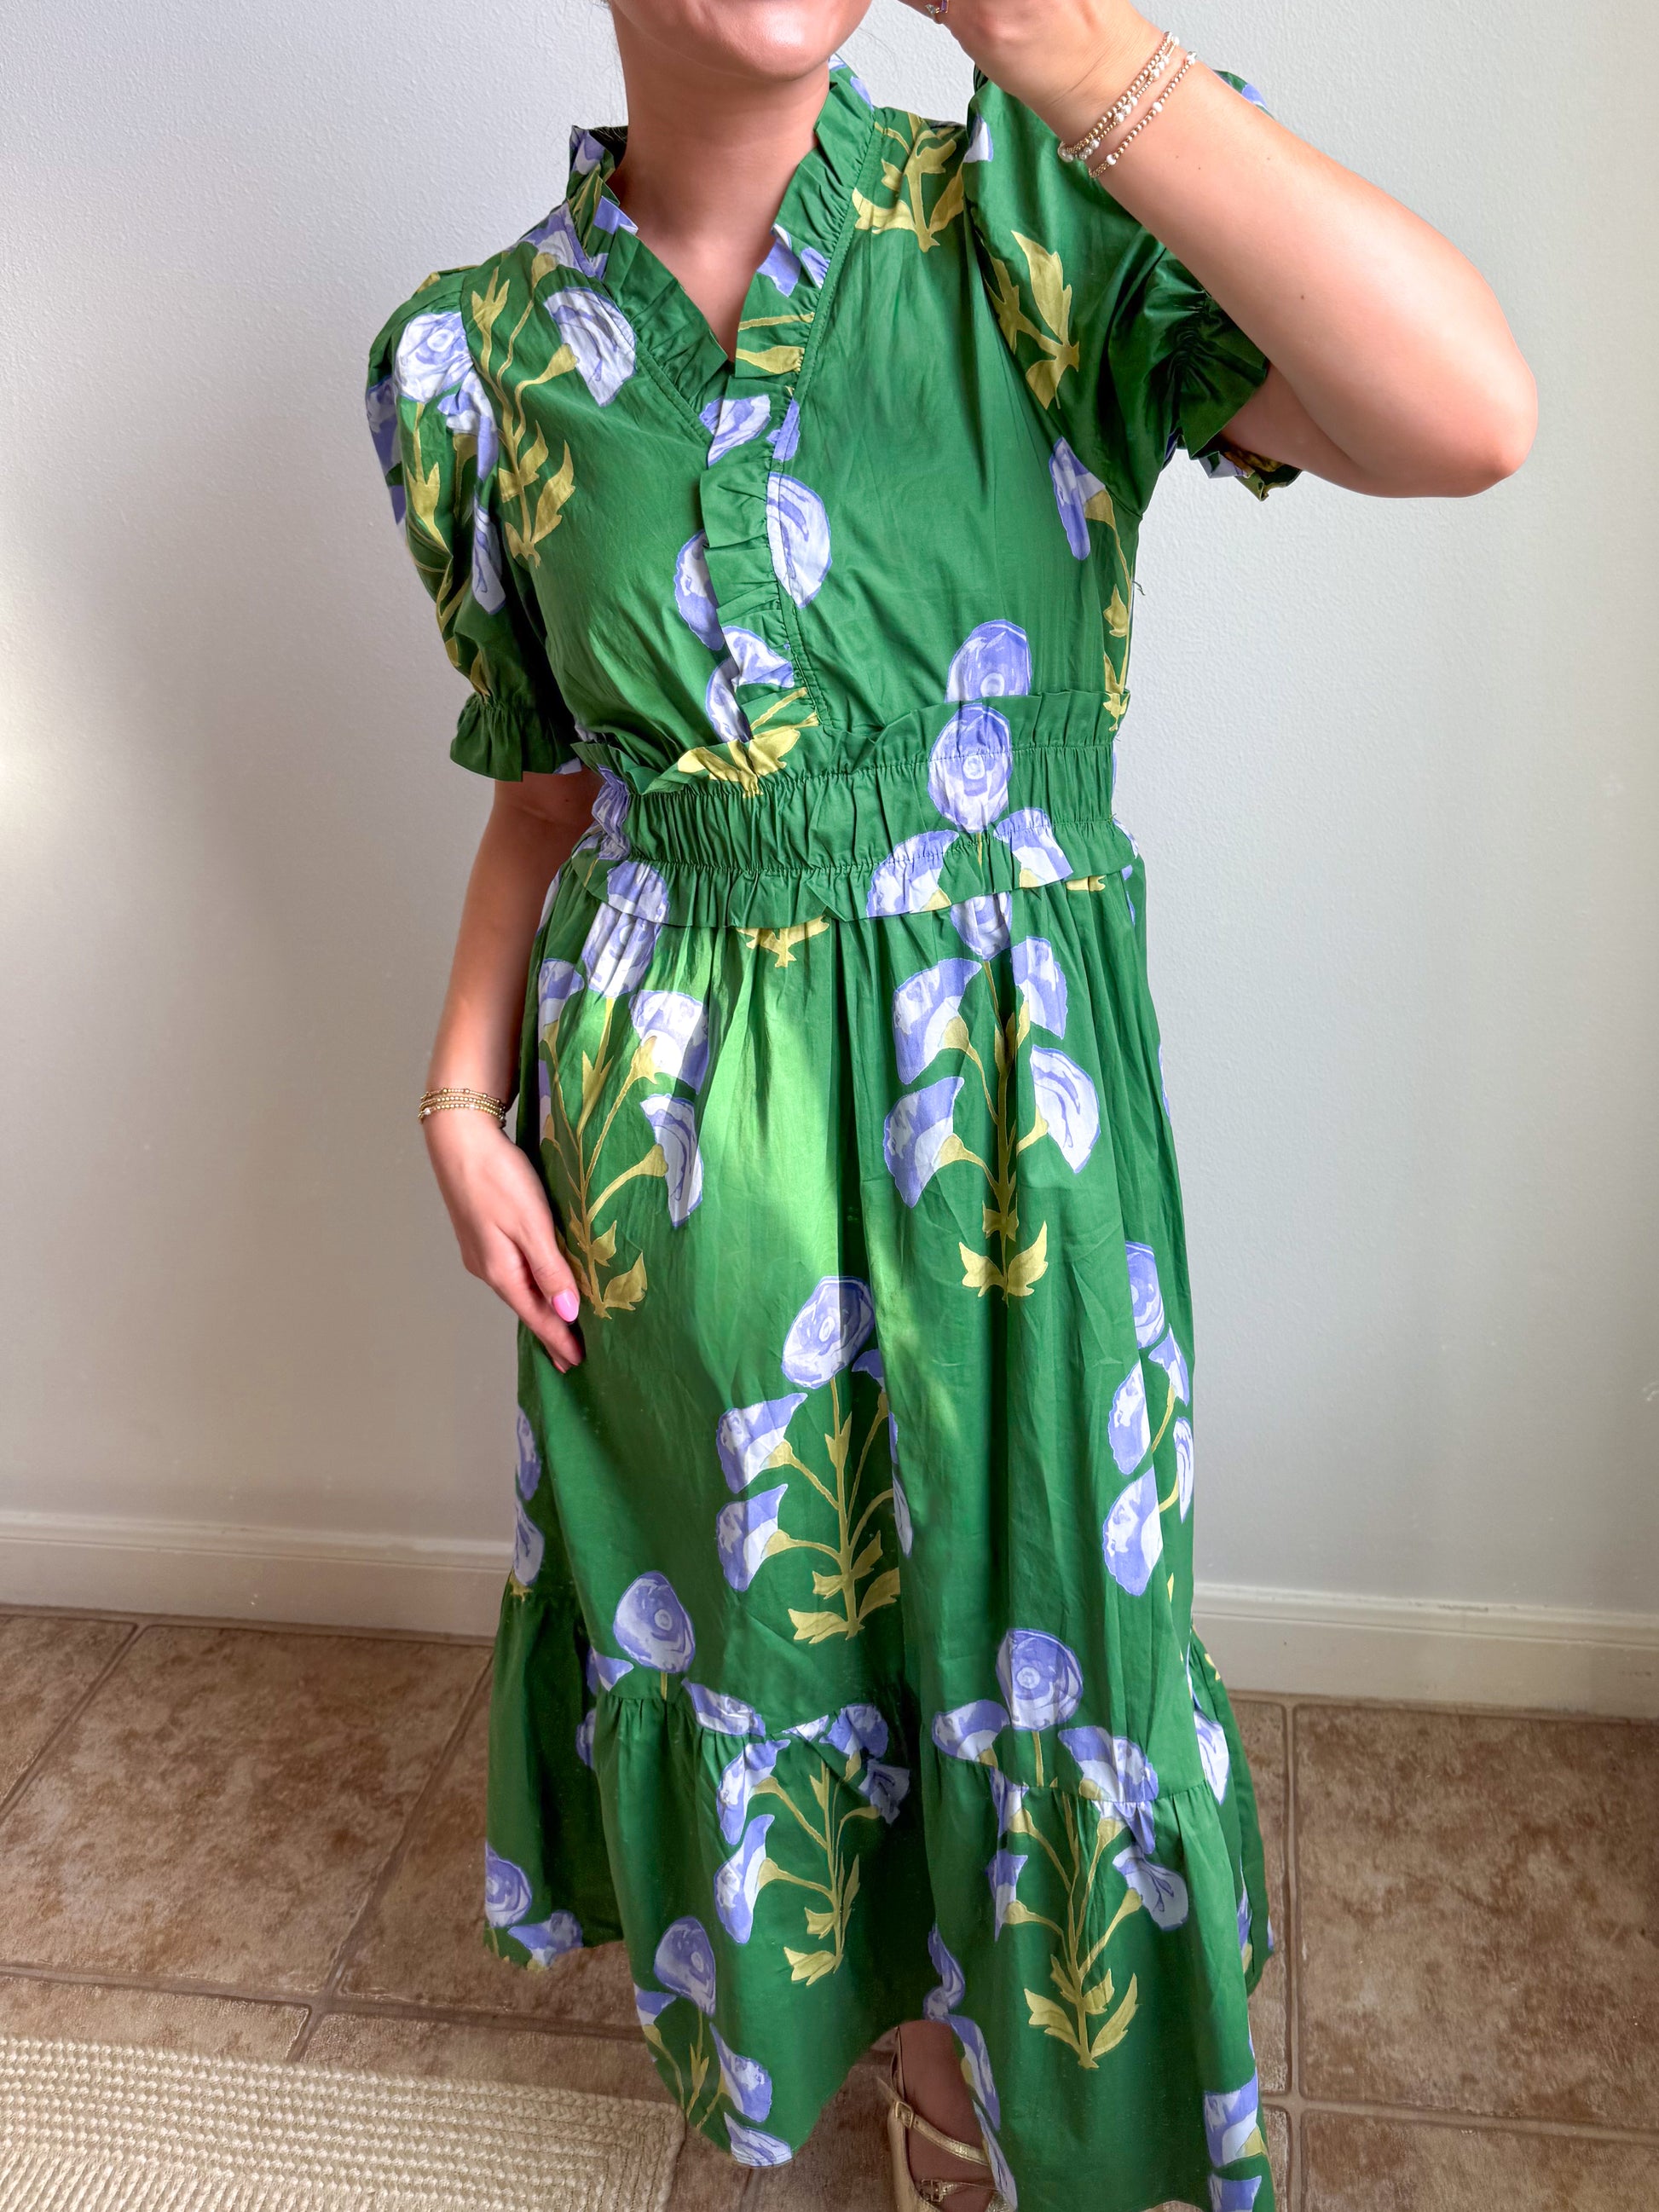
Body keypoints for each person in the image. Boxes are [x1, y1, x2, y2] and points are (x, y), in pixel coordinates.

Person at [365, 2, 1532, 2205]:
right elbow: (542, 784)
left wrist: (1058, 44)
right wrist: (453, 1093)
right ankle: (899, 2071)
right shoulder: (470, 361)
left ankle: (1044, 2100)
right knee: (780, 1651)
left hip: (1016, 1152)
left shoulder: (1036, 213)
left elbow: (1468, 415)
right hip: (675, 1169)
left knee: (1053, 1637)